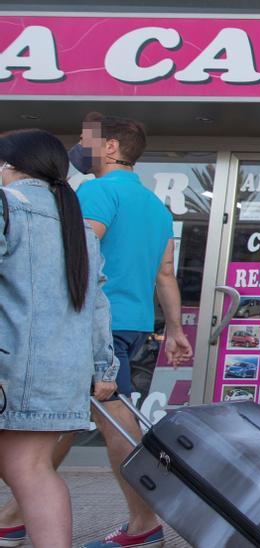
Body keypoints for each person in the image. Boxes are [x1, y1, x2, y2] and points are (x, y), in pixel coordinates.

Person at [0, 113, 193, 548]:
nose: (78, 149)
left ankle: (144, 523)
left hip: (87, 325)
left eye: (86, 141)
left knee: (115, 421)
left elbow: (73, 260)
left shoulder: (94, 192)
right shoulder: (155, 207)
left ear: (109, 148)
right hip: (134, 323)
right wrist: (176, 327)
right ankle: (15, 516)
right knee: (66, 421)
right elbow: (165, 273)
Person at [0, 129, 117, 548]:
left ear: (10, 166)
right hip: (60, 372)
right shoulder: (78, 226)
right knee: (32, 471)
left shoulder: (7, 205)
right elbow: (97, 305)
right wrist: (104, 368)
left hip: (10, 367)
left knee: (28, 472)